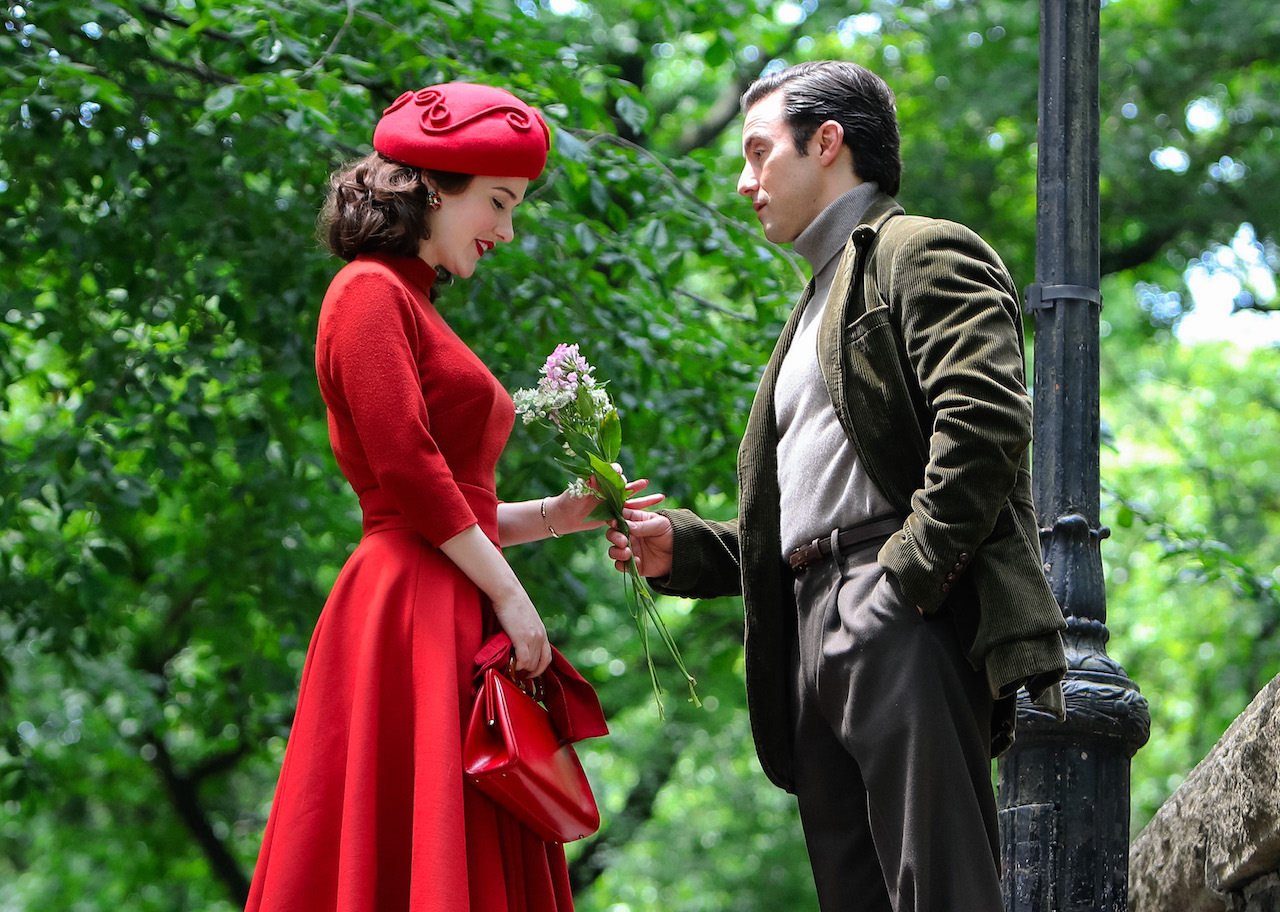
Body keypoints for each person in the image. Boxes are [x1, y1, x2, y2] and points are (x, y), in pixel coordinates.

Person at [605, 61, 1068, 911]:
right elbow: (808, 503)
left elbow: (988, 419)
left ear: (828, 143)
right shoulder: (813, 302)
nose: (745, 181)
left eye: (757, 152)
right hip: (809, 623)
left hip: (896, 608)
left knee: (942, 889)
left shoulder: (922, 250)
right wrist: (689, 550)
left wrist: (906, 580)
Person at [245, 82, 658, 912]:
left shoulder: (412, 303)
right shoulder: (369, 292)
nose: (507, 229)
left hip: (444, 591)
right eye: (499, 202)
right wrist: (513, 600)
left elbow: (450, 499)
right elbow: (406, 472)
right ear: (432, 185)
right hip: (409, 604)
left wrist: (556, 516)